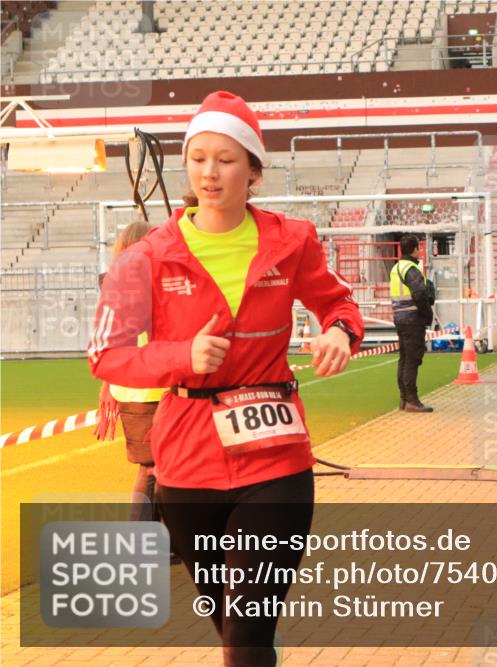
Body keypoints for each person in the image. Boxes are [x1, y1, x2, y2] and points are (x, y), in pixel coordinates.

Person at [88, 90, 363, 667]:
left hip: (277, 458)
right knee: (229, 618)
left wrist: (340, 332)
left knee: (248, 630)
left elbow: (338, 305)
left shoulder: (294, 241)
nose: (210, 173)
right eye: (198, 158)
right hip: (186, 464)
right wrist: (179, 356)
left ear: (254, 170)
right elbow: (105, 357)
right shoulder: (147, 257)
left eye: (227, 159)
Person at [94, 220, 164, 523]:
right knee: (156, 468)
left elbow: (110, 339)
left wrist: (108, 386)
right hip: (153, 387)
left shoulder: (114, 282)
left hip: (130, 389)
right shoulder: (147, 282)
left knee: (153, 467)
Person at [390, 233, 434, 412]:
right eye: (419, 247)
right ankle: (412, 400)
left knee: (404, 359)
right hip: (412, 320)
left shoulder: (397, 267)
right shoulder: (411, 268)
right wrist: (427, 314)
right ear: (415, 249)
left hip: (401, 319)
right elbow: (420, 294)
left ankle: (404, 399)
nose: (420, 250)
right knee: (412, 361)